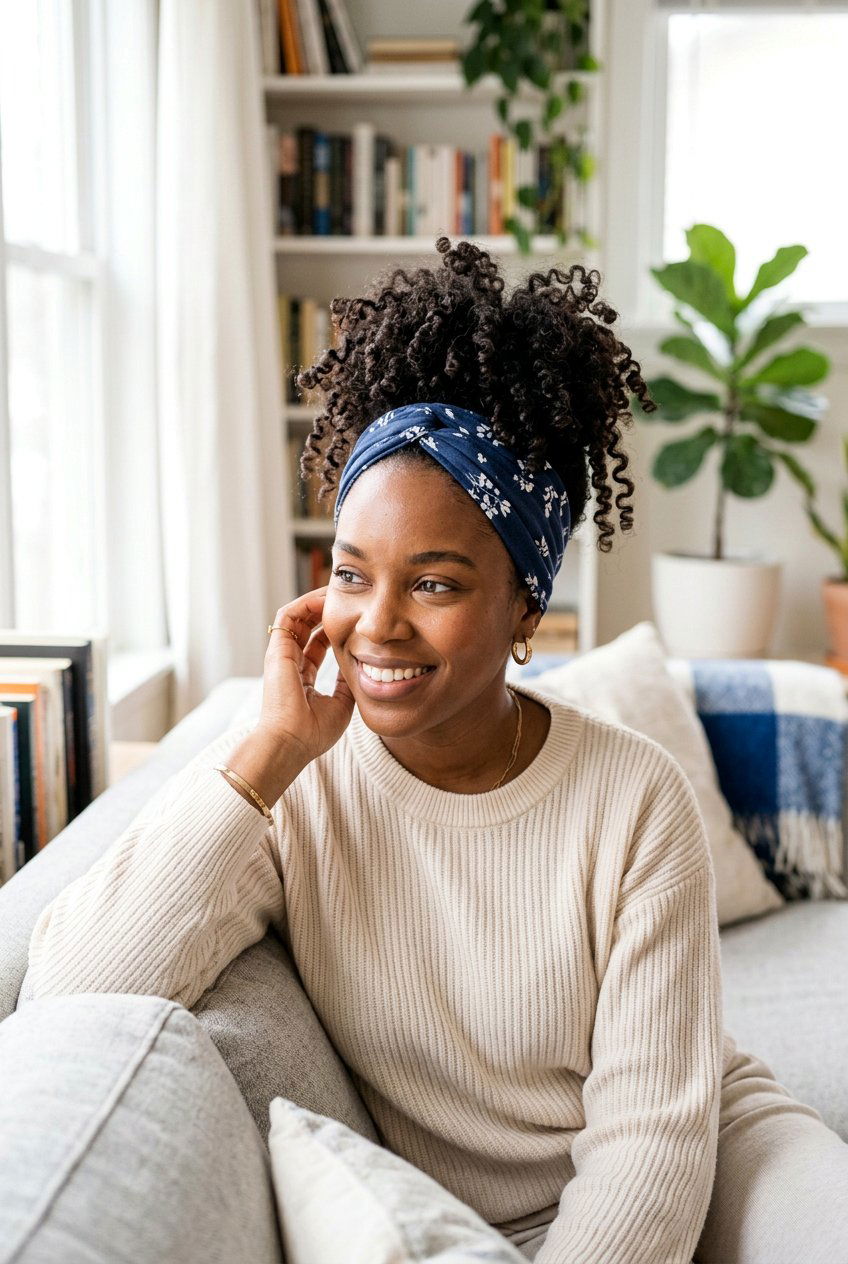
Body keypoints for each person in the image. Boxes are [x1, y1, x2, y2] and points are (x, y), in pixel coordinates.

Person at [20, 238, 848, 1262]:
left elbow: (649, 1147)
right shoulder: (296, 781)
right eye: (353, 573)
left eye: (437, 583)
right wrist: (270, 747)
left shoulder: (634, 799)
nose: (377, 624)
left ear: (523, 610)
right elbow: (70, 993)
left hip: (711, 1161)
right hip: (459, 1222)